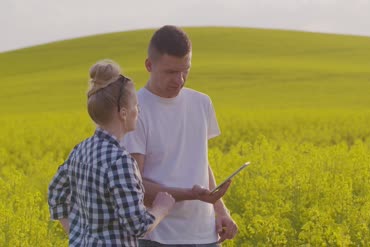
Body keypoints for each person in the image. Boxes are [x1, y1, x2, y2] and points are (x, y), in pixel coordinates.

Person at [122, 25, 238, 246]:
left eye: (186, 70)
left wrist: (220, 209)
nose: (180, 80)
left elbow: (199, 162)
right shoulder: (134, 111)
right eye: (171, 72)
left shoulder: (202, 103)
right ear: (149, 65)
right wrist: (192, 194)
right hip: (158, 236)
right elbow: (136, 188)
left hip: (207, 236)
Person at [48, 59, 175, 247]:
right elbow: (138, 226)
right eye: (136, 106)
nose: (138, 111)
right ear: (123, 113)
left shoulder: (80, 150)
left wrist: (76, 234)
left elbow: (55, 192)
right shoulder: (120, 161)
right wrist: (161, 209)